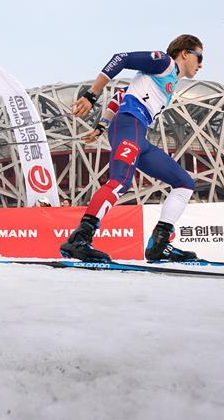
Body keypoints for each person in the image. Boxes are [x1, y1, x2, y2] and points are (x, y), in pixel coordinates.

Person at [60, 35, 203, 263]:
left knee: (184, 183)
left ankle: (159, 244)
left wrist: (101, 126)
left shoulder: (171, 80)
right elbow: (121, 58)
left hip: (138, 133)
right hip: (129, 125)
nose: (201, 64)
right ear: (185, 53)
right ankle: (79, 239)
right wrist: (91, 95)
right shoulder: (164, 63)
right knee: (120, 181)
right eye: (199, 57)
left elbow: (120, 96)